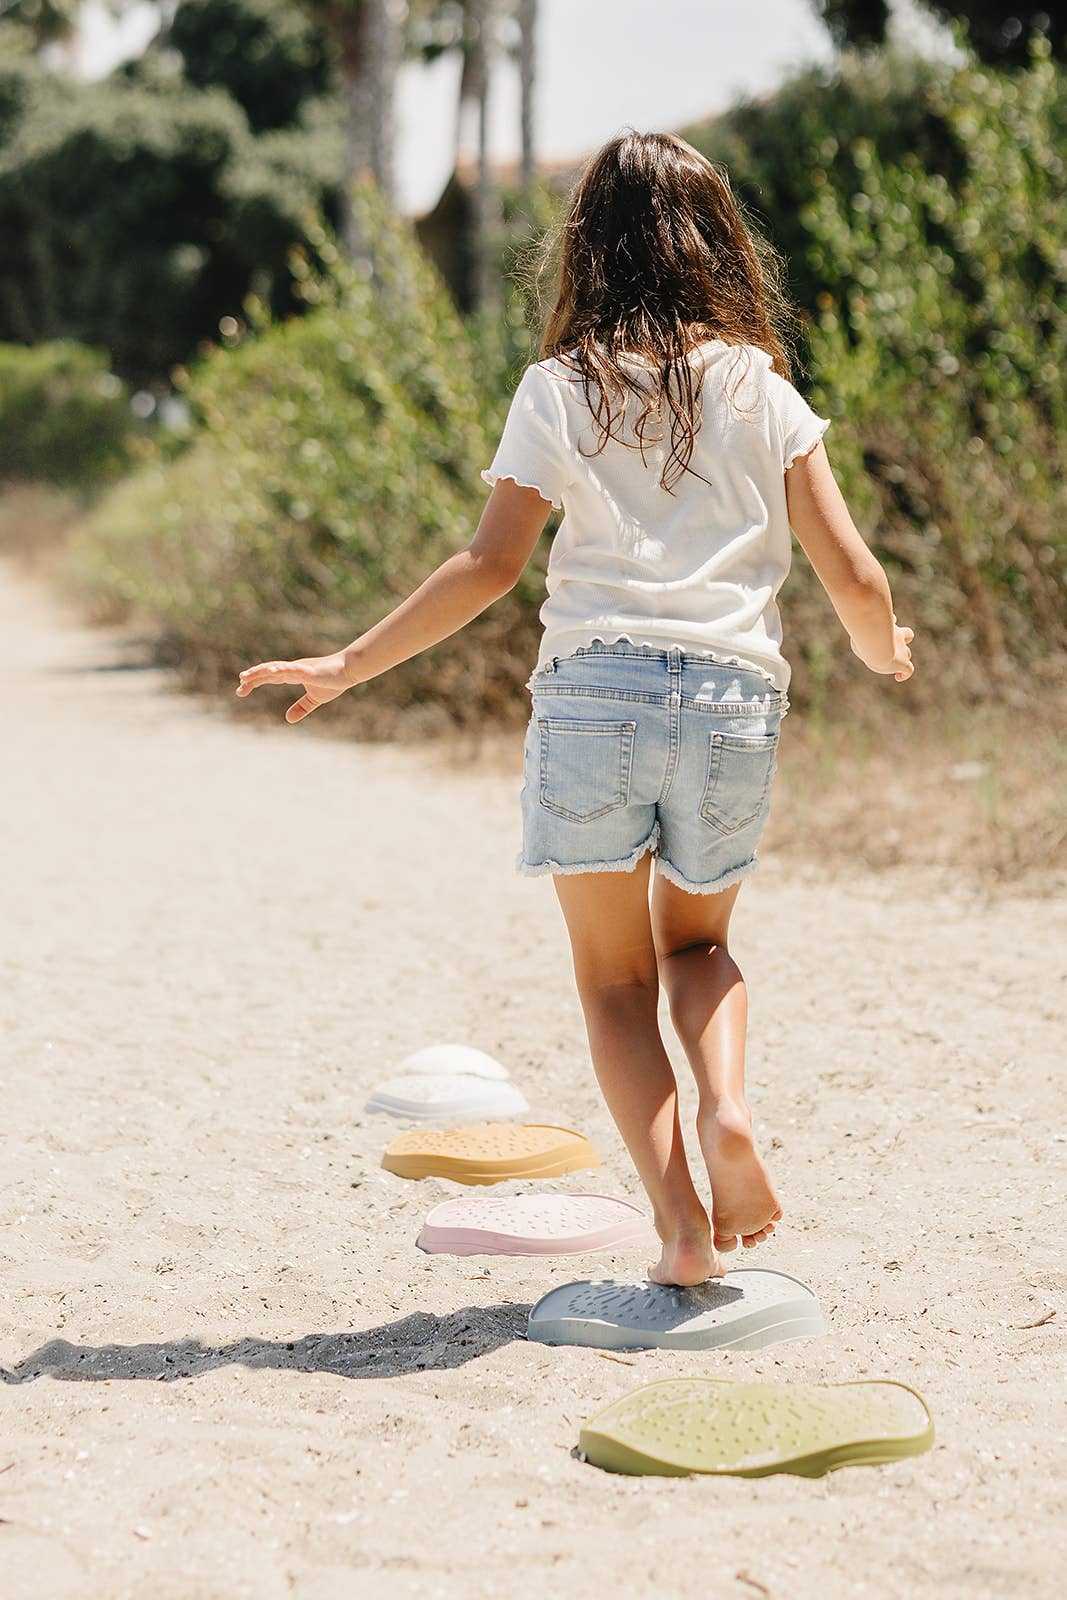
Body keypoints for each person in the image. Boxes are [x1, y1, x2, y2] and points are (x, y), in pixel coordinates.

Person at [236, 131, 914, 1287]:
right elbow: (849, 569)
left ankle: (681, 1229)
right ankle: (730, 1108)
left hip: (596, 693)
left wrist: (351, 661)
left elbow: (488, 566)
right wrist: (879, 649)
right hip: (731, 696)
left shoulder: (559, 387)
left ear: (585, 251)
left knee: (612, 985)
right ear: (718, 244)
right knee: (699, 944)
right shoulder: (760, 384)